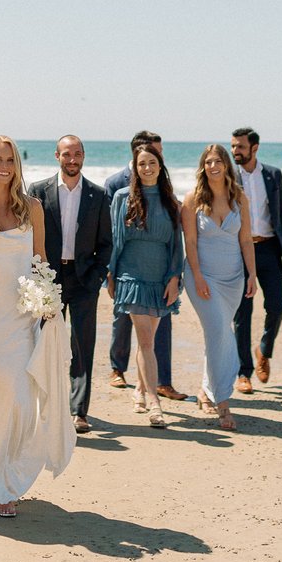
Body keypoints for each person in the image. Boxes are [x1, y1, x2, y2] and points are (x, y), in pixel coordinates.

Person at [0, 136, 75, 517]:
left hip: (22, 316)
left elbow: (40, 260)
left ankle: (6, 473)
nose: (3, 165)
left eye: (9, 159)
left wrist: (47, 302)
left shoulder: (32, 208)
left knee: (21, 397)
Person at [29, 135, 112, 434]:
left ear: (84, 156)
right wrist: (37, 275)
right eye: (67, 154)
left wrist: (96, 277)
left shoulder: (99, 195)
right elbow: (29, 237)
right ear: (57, 156)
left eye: (77, 154)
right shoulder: (37, 191)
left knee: (82, 346)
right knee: (42, 344)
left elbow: (106, 244)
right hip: (48, 278)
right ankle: (43, 406)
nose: (72, 159)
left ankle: (79, 411)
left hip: (83, 279)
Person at [107, 143, 183, 429]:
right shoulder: (122, 197)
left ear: (160, 166)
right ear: (135, 168)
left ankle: (140, 388)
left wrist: (175, 277)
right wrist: (111, 275)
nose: (147, 168)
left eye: (152, 163)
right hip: (132, 275)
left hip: (161, 277)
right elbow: (116, 239)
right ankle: (155, 403)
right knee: (147, 341)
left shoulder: (170, 201)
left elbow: (177, 245)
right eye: (141, 164)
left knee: (146, 341)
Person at [181, 145, 258, 431]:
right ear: (203, 167)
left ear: (226, 165)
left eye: (218, 161)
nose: (213, 166)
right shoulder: (193, 200)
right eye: (208, 162)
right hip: (203, 277)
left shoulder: (239, 198)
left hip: (234, 278)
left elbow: (246, 240)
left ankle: (206, 390)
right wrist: (198, 276)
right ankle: (223, 402)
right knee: (219, 332)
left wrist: (252, 274)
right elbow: (189, 243)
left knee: (218, 334)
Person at [230, 128, 282, 393]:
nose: (235, 151)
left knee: (277, 305)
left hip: (269, 249)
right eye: (233, 146)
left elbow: (281, 215)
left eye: (240, 147)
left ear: (254, 148)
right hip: (240, 251)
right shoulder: (229, 176)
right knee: (242, 313)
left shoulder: (273, 174)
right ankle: (243, 372)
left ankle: (264, 351)